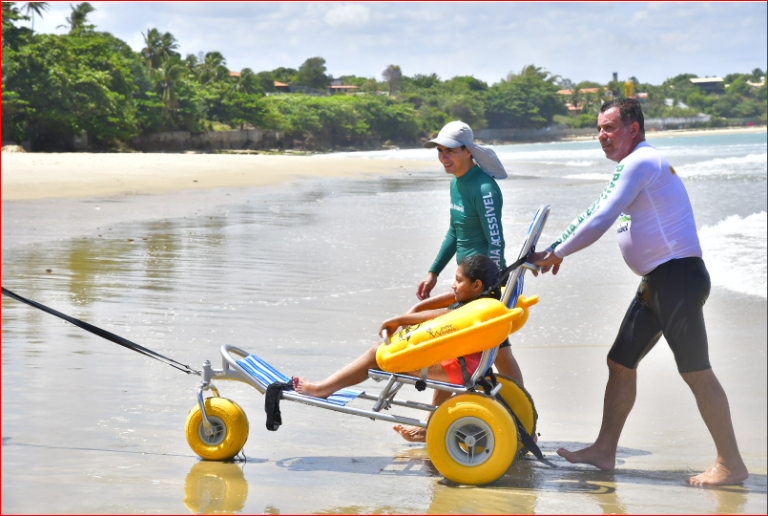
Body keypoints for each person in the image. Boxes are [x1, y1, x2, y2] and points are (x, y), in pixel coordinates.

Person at [530, 98, 748, 487]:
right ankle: (604, 450)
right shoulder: (633, 166)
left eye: (609, 127)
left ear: (634, 128)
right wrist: (557, 248)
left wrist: (556, 252)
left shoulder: (641, 161)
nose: (601, 135)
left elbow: (602, 215)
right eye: (598, 128)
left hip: (676, 278)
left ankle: (730, 463)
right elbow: (596, 210)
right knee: (620, 362)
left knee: (696, 371)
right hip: (658, 281)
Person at [294, 255, 501, 411]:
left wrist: (399, 319)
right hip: (466, 367)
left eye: (458, 280)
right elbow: (441, 312)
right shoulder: (485, 303)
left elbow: (437, 317)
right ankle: (326, 387)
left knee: (377, 353)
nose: (453, 285)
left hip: (457, 370)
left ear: (476, 285)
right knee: (386, 350)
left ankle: (322, 389)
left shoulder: (472, 309)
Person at [416, 120, 524, 386]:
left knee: (460, 349)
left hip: (483, 284)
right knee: (492, 352)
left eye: (450, 151)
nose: (443, 157)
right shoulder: (457, 183)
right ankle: (521, 416)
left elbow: (496, 241)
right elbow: (455, 231)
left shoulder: (484, 188)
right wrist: (433, 272)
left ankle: (521, 416)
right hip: (467, 283)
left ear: (468, 151)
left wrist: (488, 290)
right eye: (440, 151)